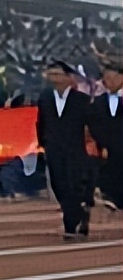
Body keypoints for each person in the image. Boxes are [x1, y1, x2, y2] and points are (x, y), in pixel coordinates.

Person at [36, 60, 92, 239]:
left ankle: (71, 223)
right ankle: (80, 215)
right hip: (53, 149)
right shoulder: (45, 97)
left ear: (69, 77)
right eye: (51, 74)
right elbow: (41, 122)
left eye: (58, 74)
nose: (54, 77)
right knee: (58, 185)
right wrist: (43, 143)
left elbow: (91, 126)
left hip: (75, 149)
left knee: (73, 185)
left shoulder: (82, 100)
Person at [88, 60, 123, 212]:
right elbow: (93, 123)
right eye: (105, 78)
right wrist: (103, 142)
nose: (106, 81)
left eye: (110, 77)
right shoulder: (98, 103)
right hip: (108, 149)